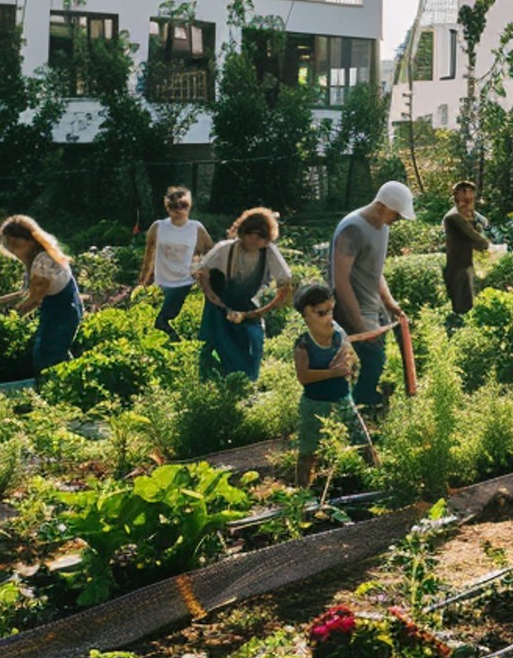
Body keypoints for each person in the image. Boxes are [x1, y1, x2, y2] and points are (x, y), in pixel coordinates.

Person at [331, 181, 414, 411]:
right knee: (369, 364)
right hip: (351, 310)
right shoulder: (352, 228)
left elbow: (375, 271)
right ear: (383, 205)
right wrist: (358, 323)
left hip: (372, 309)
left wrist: (390, 304)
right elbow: (341, 280)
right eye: (396, 215)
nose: (396, 220)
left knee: (374, 364)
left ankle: (361, 411)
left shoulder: (382, 227)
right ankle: (349, 417)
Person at [292, 280, 376, 487]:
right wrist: (332, 373)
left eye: (331, 311)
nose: (329, 317)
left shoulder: (338, 333)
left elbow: (348, 356)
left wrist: (348, 363)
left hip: (342, 399)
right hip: (314, 403)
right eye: (321, 313)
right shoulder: (303, 344)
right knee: (308, 452)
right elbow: (304, 376)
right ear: (306, 315)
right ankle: (302, 494)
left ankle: (378, 480)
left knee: (363, 442)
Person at [193, 208, 294, 382]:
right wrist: (210, 294)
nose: (255, 239)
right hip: (220, 303)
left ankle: (247, 383)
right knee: (216, 343)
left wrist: (261, 311)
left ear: (268, 237)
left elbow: (285, 284)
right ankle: (212, 380)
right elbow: (203, 270)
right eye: (250, 233)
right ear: (242, 232)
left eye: (260, 235)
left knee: (254, 339)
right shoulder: (225, 249)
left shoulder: (269, 253)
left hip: (248, 303)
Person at [0, 216, 83, 385]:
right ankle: (72, 385)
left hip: (62, 311)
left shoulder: (44, 260)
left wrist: (15, 312)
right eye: (7, 245)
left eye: (14, 244)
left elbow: (36, 297)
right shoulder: (37, 258)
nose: (11, 249)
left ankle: (54, 390)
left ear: (30, 240)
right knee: (56, 352)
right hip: (59, 309)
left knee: (48, 356)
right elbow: (31, 292)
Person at [136, 185, 213, 333]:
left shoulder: (196, 228)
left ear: (188, 206)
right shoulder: (158, 227)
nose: (178, 209)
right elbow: (149, 255)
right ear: (167, 206)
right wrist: (143, 280)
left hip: (184, 280)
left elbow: (209, 252)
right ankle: (168, 342)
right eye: (174, 205)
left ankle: (174, 340)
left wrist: (200, 270)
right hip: (162, 281)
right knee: (156, 317)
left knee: (164, 318)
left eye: (182, 205)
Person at [442, 180, 489, 318]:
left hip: (471, 263)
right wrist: (491, 247)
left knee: (471, 299)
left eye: (470, 195)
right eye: (465, 194)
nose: (468, 199)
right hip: (458, 265)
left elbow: (485, 226)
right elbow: (475, 237)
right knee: (461, 303)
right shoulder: (453, 217)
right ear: (457, 196)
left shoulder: (474, 215)